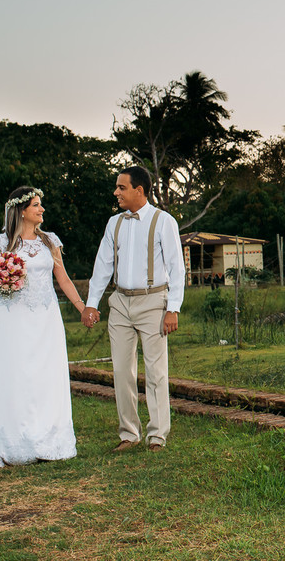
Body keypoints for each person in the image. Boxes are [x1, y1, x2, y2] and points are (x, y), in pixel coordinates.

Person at [0, 186, 88, 467]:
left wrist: (84, 308)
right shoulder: (2, 241)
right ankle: (13, 441)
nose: (42, 209)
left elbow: (64, 279)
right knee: (15, 376)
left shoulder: (50, 241)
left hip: (46, 318)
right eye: (37, 205)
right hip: (13, 318)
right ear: (22, 210)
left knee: (45, 377)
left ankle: (47, 441)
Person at [82, 166, 184, 452]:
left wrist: (172, 308)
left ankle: (157, 435)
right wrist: (91, 304)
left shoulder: (164, 221)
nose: (116, 192)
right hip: (120, 303)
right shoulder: (114, 223)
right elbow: (102, 266)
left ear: (139, 190)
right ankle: (129, 433)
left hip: (154, 302)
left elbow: (178, 269)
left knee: (155, 371)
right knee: (121, 371)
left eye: (121, 187)